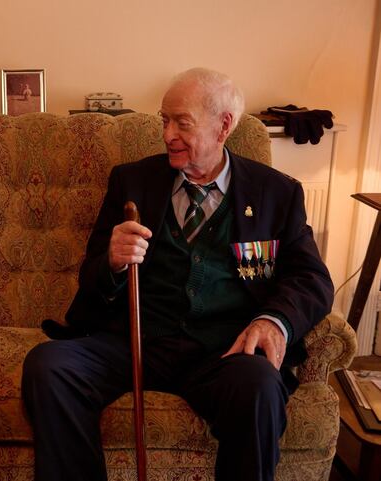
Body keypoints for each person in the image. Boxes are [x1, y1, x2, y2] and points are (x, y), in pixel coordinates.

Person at [21, 68, 333, 481]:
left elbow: (311, 278)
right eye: (164, 120)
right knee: (49, 366)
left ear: (224, 125)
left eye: (181, 122)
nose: (167, 133)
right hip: (135, 341)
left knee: (259, 385)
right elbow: (91, 278)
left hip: (222, 352)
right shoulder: (131, 182)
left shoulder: (276, 193)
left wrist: (273, 321)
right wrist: (112, 262)